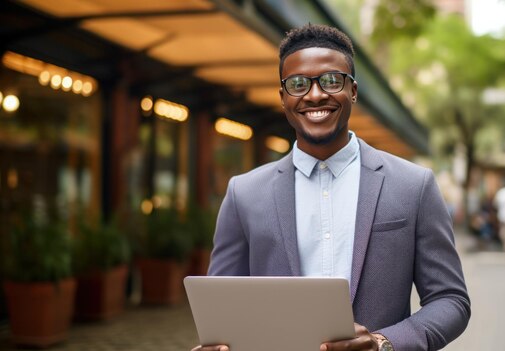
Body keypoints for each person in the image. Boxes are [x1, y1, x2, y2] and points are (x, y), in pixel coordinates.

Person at [193, 24, 470, 351]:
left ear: (353, 90)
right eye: (297, 84)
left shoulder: (414, 185)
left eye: (331, 80)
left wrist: (384, 343)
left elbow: (450, 299)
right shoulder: (244, 194)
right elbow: (222, 311)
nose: (314, 95)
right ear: (283, 98)